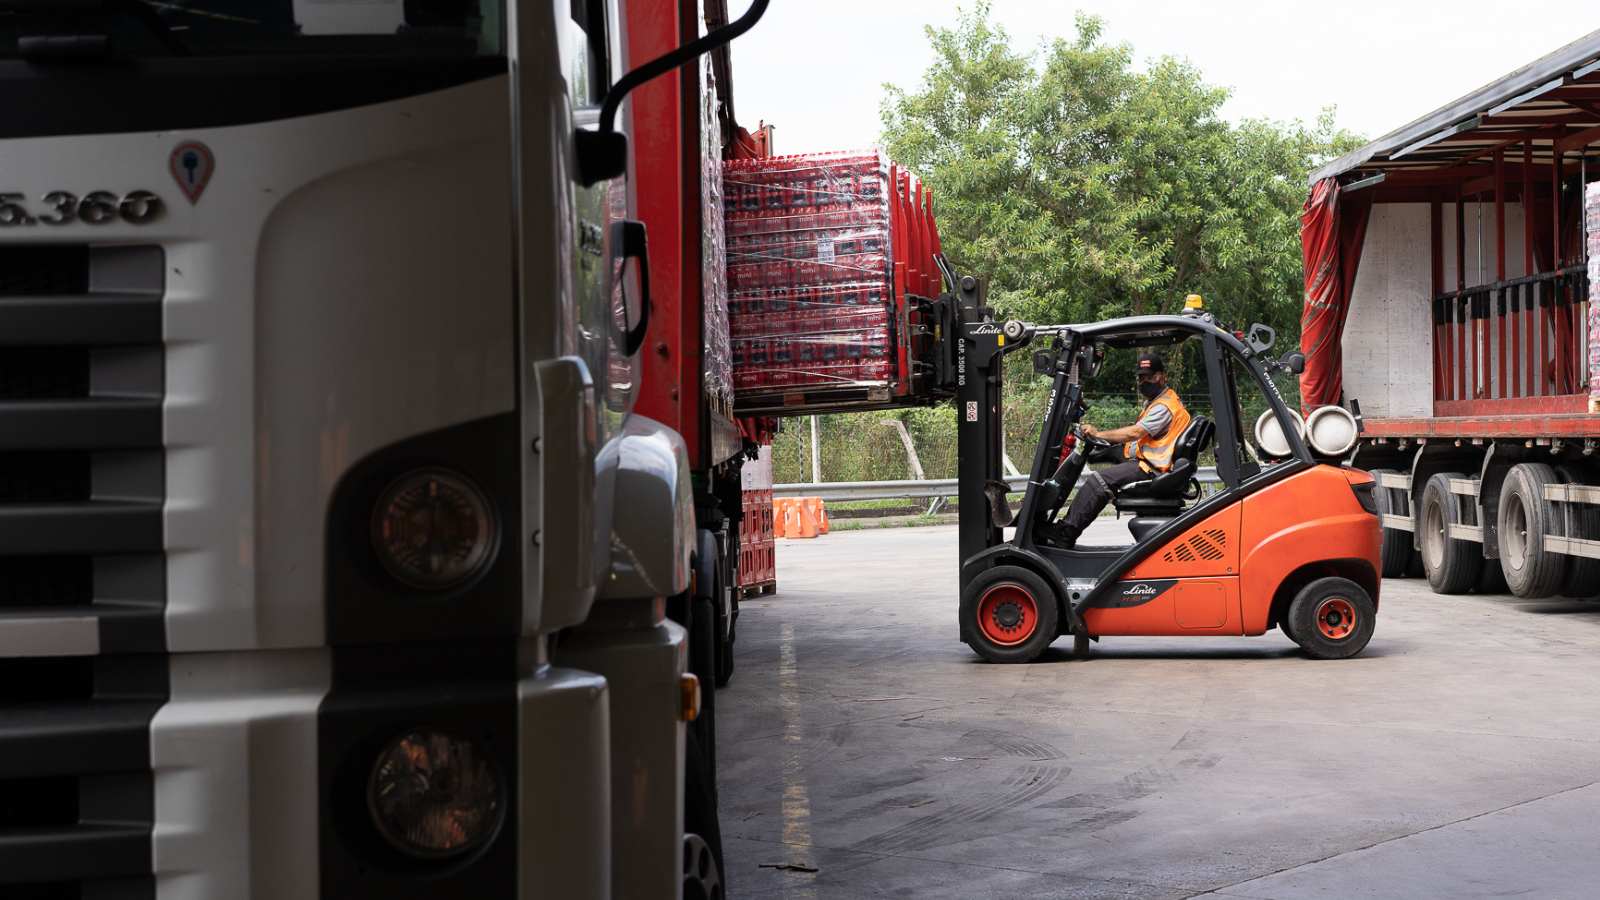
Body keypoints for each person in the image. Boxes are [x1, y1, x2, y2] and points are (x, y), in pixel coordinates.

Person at [1051, 352, 1191, 547]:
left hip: (1152, 469)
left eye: (1148, 376)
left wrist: (1099, 434)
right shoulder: (1157, 402)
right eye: (1140, 377)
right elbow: (1139, 443)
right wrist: (1104, 451)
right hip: (1148, 464)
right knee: (1102, 470)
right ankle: (1065, 529)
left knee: (1098, 482)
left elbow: (1134, 433)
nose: (1143, 381)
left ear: (1160, 376)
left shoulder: (1164, 407)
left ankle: (1065, 534)